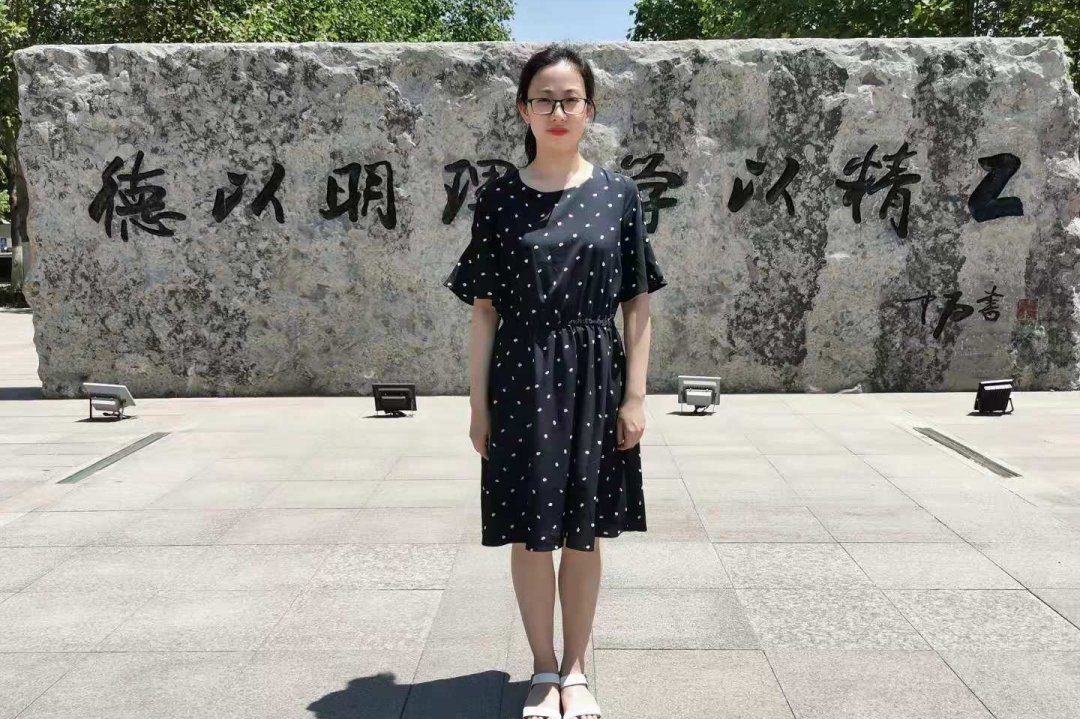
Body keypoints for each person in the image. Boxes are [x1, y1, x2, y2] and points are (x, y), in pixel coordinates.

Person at [443, 43, 668, 719]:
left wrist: (635, 396)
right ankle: (543, 668)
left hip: (596, 377)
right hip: (521, 376)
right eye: (544, 99)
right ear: (524, 110)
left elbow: (637, 303)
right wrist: (478, 407)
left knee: (583, 531)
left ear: (590, 109)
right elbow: (484, 311)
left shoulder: (618, 194)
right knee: (530, 529)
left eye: (571, 99)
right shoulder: (499, 198)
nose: (558, 110)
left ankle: (576, 670)